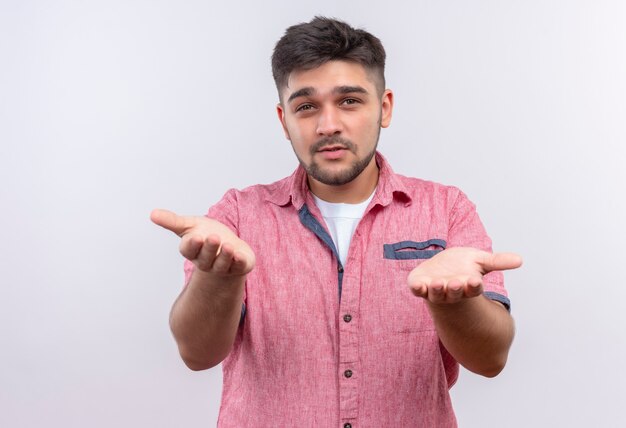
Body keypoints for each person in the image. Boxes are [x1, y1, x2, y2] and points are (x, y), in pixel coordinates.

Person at [151, 16, 522, 427]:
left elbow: (491, 360)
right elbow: (196, 354)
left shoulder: (447, 209)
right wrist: (216, 278)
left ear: (384, 108)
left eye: (349, 100)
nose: (329, 125)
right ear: (283, 121)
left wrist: (457, 303)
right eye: (306, 107)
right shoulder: (237, 216)